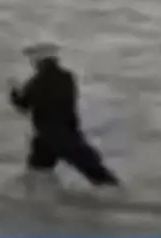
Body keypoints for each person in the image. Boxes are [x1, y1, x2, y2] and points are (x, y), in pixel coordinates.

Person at [9, 43, 120, 187]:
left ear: (38, 62)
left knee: (36, 177)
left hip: (46, 137)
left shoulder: (36, 83)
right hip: (67, 133)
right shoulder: (67, 78)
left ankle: (41, 204)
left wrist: (15, 93)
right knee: (99, 174)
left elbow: (23, 106)